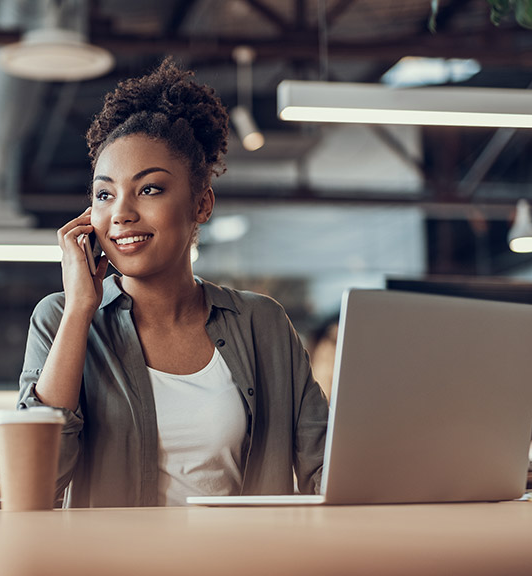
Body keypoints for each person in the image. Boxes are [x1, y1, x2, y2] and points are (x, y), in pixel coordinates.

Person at [18, 59, 328, 508]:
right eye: (104, 194)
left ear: (201, 204)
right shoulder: (60, 318)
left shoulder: (263, 323)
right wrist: (80, 310)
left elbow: (326, 467)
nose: (120, 212)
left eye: (149, 189)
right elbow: (36, 484)